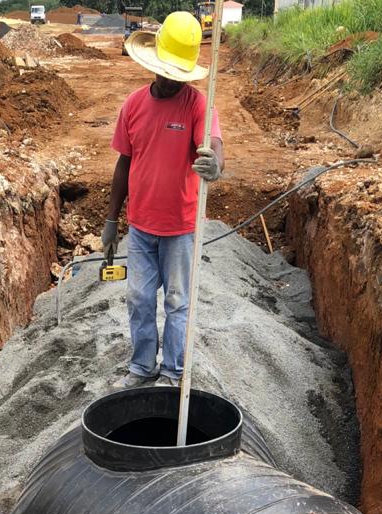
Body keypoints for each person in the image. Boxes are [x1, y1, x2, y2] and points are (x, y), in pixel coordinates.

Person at [102, 12, 224, 388]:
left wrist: (214, 163)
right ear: (154, 63)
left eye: (179, 73)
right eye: (167, 70)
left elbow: (214, 145)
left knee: (177, 303)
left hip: (181, 230)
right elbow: (124, 163)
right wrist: (111, 221)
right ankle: (142, 366)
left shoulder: (196, 105)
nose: (172, 79)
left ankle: (172, 372)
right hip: (140, 227)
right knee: (139, 299)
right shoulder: (134, 105)